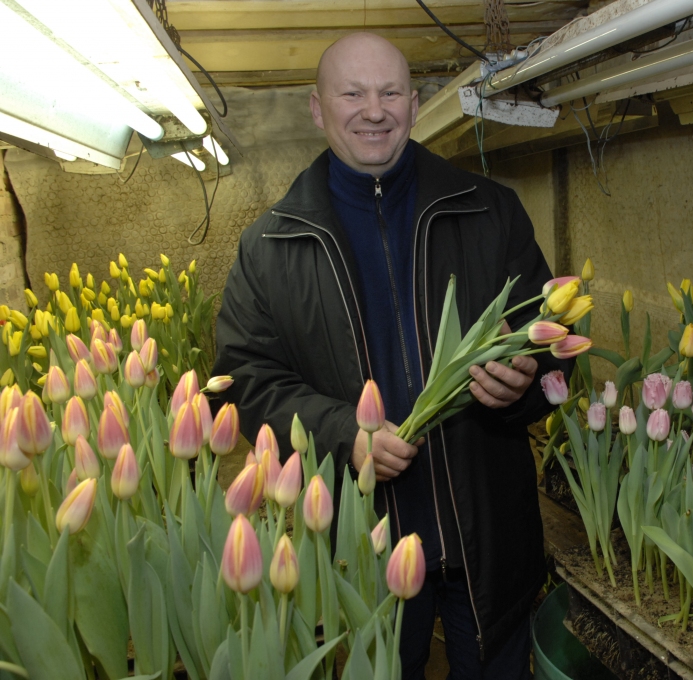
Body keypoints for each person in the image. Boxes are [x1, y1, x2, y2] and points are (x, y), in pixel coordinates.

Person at [212, 32, 569, 679]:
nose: (374, 111)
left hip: (487, 536)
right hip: (360, 544)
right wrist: (341, 434)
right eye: (352, 94)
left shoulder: (489, 210)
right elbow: (247, 379)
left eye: (390, 93)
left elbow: (551, 342)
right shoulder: (271, 245)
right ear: (317, 108)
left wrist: (525, 381)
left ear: (414, 102)